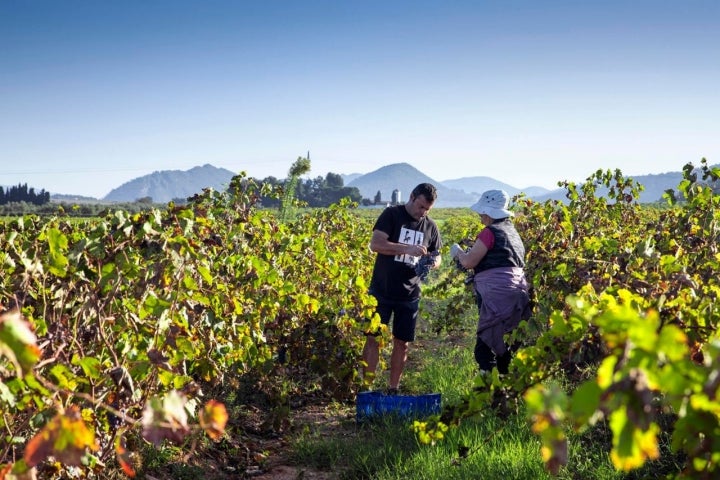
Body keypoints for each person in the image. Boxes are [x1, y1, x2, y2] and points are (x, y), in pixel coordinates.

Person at [362, 183, 443, 394]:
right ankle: (366, 388)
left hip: (410, 295)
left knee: (402, 343)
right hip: (382, 290)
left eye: (427, 209)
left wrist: (433, 262)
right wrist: (407, 248)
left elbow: (437, 255)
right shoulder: (391, 215)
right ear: (412, 197)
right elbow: (376, 244)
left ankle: (393, 389)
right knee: (373, 339)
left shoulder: (431, 227)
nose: (422, 212)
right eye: (421, 207)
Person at [450, 189, 530, 375]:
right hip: (518, 293)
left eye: (482, 212)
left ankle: (487, 391)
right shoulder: (513, 233)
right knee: (507, 342)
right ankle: (506, 391)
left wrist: (458, 252)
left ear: (488, 212)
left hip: (496, 295)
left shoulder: (489, 232)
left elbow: (469, 262)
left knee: (486, 347)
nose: (480, 216)